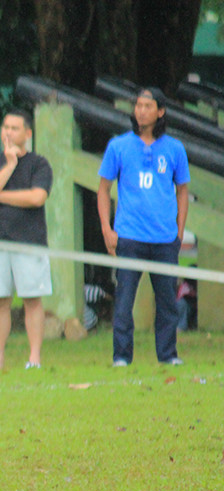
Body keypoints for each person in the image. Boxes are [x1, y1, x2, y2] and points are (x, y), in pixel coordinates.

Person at [97, 88, 189, 367]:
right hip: (129, 236)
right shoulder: (118, 146)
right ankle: (122, 356)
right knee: (124, 300)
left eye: (148, 106)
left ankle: (168, 354)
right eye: (138, 105)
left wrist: (179, 230)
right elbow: (103, 189)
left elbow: (182, 191)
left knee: (167, 302)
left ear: (160, 111)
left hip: (164, 238)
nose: (141, 111)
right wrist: (106, 228)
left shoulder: (174, 148)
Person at [0, 109, 53, 371]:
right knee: (0, 301)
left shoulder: (39, 164)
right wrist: (9, 166)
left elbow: (37, 198)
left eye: (15, 128)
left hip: (29, 241)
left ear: (27, 134)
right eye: (5, 127)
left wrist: (1, 196)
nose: (8, 132)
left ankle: (34, 358)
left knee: (32, 299)